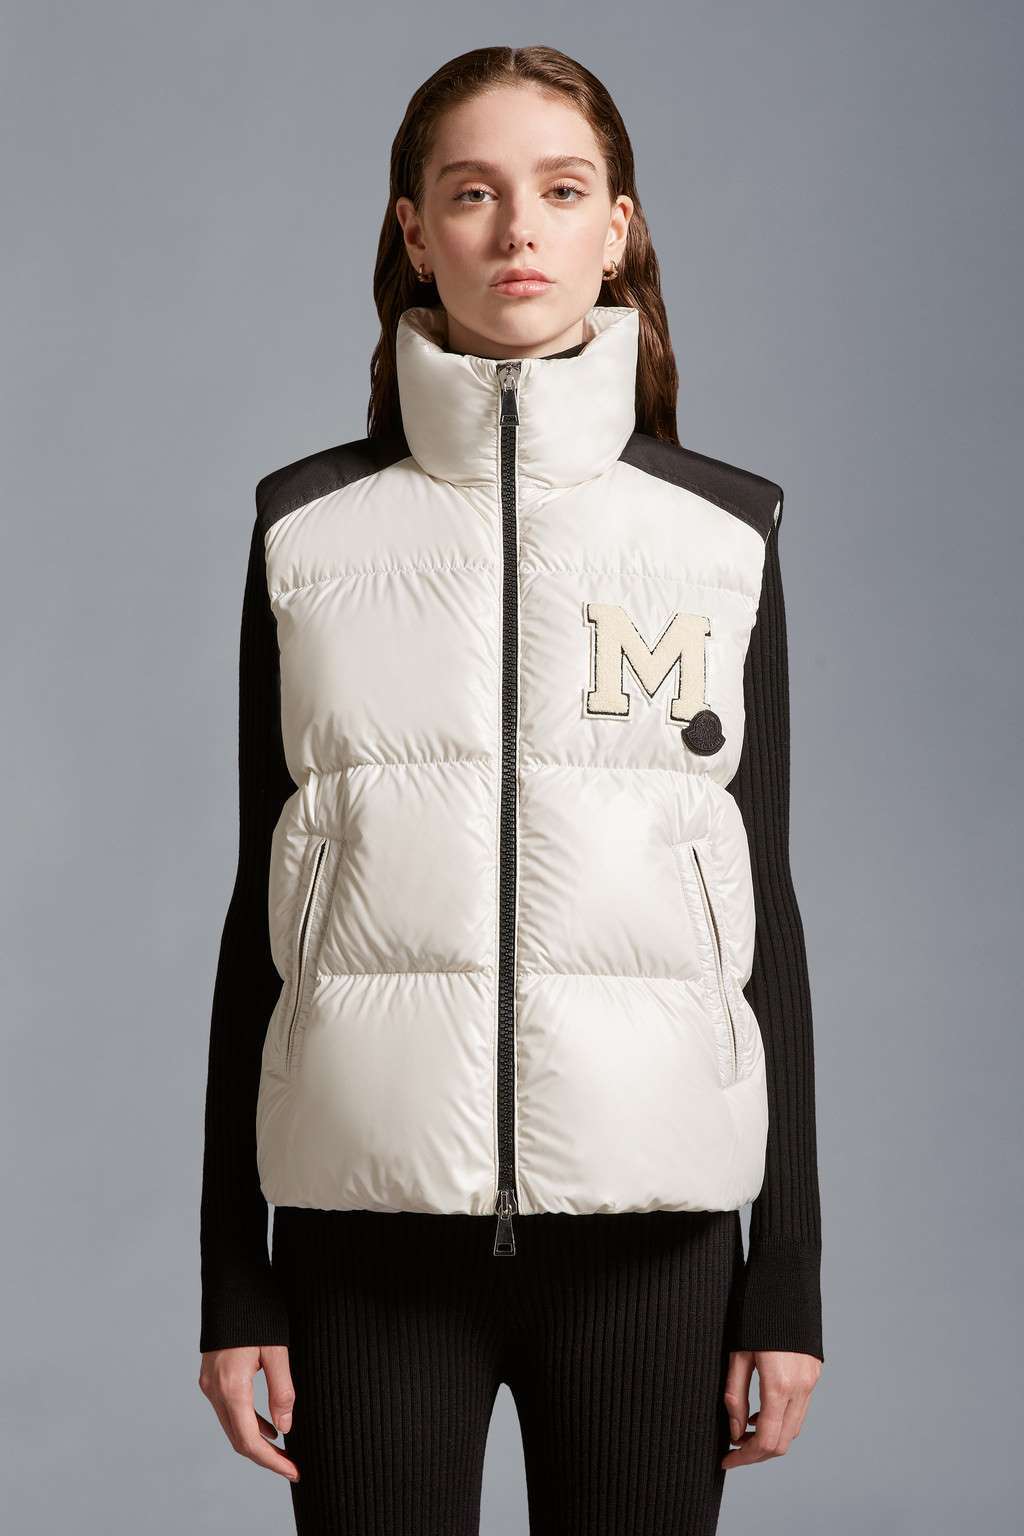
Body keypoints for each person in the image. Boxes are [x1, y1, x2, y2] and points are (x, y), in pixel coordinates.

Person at [198, 43, 825, 1536]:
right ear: (416, 232)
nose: (518, 229)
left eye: (561, 190)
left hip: (654, 1239)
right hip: (362, 1237)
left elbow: (761, 908)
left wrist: (785, 1283)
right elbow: (261, 911)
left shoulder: (720, 537)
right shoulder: (309, 534)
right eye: (473, 193)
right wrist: (235, 1279)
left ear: (619, 228)